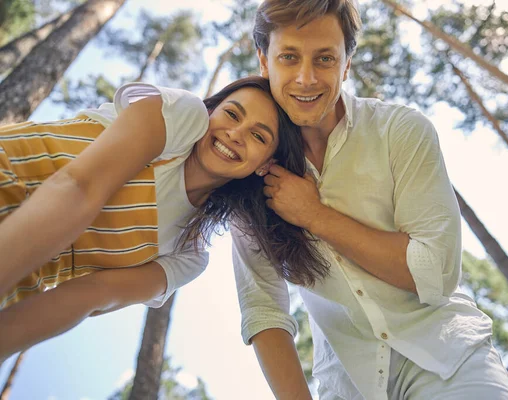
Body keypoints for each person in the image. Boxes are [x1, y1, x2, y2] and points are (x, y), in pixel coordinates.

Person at [232, 1, 508, 399]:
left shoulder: (401, 131)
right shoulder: (247, 171)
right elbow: (264, 310)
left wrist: (315, 215)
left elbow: (435, 272)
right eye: (289, 57)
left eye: (326, 58)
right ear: (265, 61)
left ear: (347, 63)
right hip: (347, 385)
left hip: (449, 361)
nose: (307, 78)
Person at [0, 76, 324, 362]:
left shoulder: (189, 256)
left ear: (264, 165)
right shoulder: (185, 116)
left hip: (15, 285)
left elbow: (88, 296)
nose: (236, 133)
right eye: (232, 113)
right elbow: (77, 188)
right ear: (212, 112)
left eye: (259, 137)